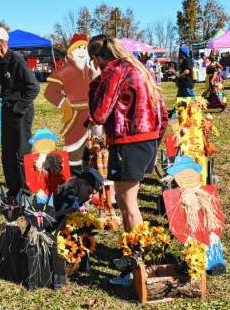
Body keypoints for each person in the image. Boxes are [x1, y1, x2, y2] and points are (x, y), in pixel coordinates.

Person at [87, 35, 168, 284]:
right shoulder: (139, 67)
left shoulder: (113, 72)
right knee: (132, 204)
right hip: (148, 140)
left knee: (128, 206)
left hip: (128, 143)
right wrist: (156, 137)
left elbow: (99, 114)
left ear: (97, 59)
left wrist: (93, 82)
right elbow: (161, 108)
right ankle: (140, 258)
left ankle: (137, 267)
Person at [0, 27, 40, 197]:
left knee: (21, 152)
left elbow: (34, 87)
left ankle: (25, 190)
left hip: (21, 112)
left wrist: (18, 107)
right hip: (7, 110)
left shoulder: (17, 60)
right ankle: (12, 189)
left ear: (2, 42)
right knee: (7, 152)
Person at [44, 33, 94, 173]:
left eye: (85, 48)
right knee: (74, 151)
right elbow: (50, 92)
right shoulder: (65, 71)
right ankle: (74, 181)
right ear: (71, 51)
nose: (82, 52)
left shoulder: (91, 71)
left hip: (93, 116)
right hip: (75, 117)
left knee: (92, 151)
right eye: (79, 48)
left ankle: (90, 182)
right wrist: (64, 104)